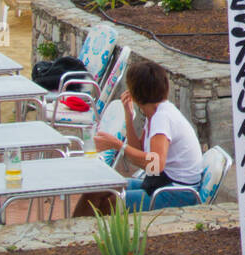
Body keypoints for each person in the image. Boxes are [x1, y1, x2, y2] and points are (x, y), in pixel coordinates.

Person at [74, 59, 204, 215]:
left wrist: (118, 145)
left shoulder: (162, 118)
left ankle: (87, 236)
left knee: (109, 204)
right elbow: (139, 152)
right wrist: (129, 117)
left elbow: (155, 166)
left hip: (176, 193)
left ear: (135, 93)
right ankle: (74, 235)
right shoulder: (154, 114)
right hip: (161, 185)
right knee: (96, 190)